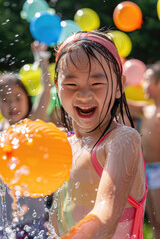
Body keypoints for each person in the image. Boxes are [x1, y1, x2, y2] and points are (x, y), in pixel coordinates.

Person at [49, 30, 147, 239]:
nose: (84, 94)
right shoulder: (64, 145)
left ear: (119, 86)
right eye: (71, 84)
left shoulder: (122, 140)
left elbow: (105, 217)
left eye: (97, 83)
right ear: (57, 85)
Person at [0, 41, 53, 238]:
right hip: (4, 222)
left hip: (33, 218)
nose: (12, 104)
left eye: (17, 97)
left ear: (27, 98)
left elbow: (46, 89)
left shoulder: (30, 125)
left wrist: (41, 60)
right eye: (4, 100)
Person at [127, 61, 160, 239]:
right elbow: (125, 102)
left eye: (147, 80)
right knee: (153, 219)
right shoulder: (147, 108)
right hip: (147, 170)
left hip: (159, 170)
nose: (142, 84)